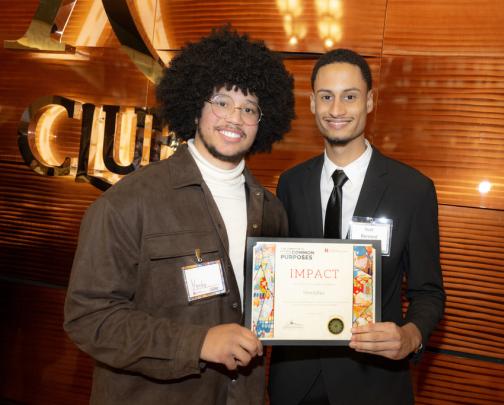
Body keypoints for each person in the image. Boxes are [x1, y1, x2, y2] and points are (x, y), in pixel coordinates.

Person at [64, 26, 294, 405]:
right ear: (195, 104)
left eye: (249, 107)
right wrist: (198, 342)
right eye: (222, 101)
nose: (235, 117)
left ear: (262, 121)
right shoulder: (128, 203)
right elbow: (89, 318)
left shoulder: (271, 211)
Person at [269, 49, 445, 404]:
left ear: (369, 101)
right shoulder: (290, 183)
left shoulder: (412, 189)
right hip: (295, 382)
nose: (336, 110)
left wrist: (411, 335)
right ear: (312, 103)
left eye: (349, 96)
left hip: (373, 383)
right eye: (326, 97)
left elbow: (429, 292)